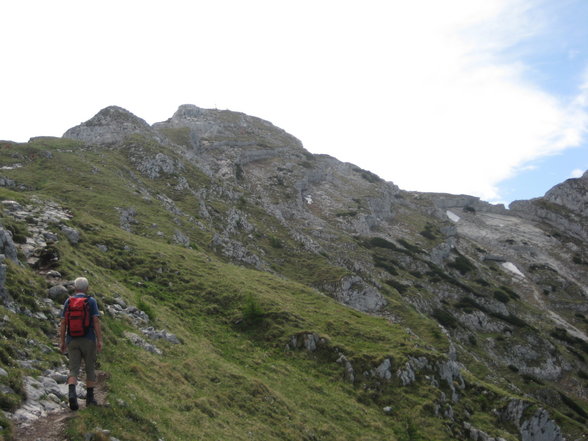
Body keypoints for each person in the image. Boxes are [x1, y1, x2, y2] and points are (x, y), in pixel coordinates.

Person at [59, 277, 103, 410]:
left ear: (75, 288)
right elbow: (95, 321)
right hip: (88, 339)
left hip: (72, 340)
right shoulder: (91, 301)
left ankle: (72, 394)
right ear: (87, 288)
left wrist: (62, 341)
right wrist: (99, 339)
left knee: (73, 369)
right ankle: (90, 399)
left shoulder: (68, 301)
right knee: (90, 368)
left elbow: (63, 322)